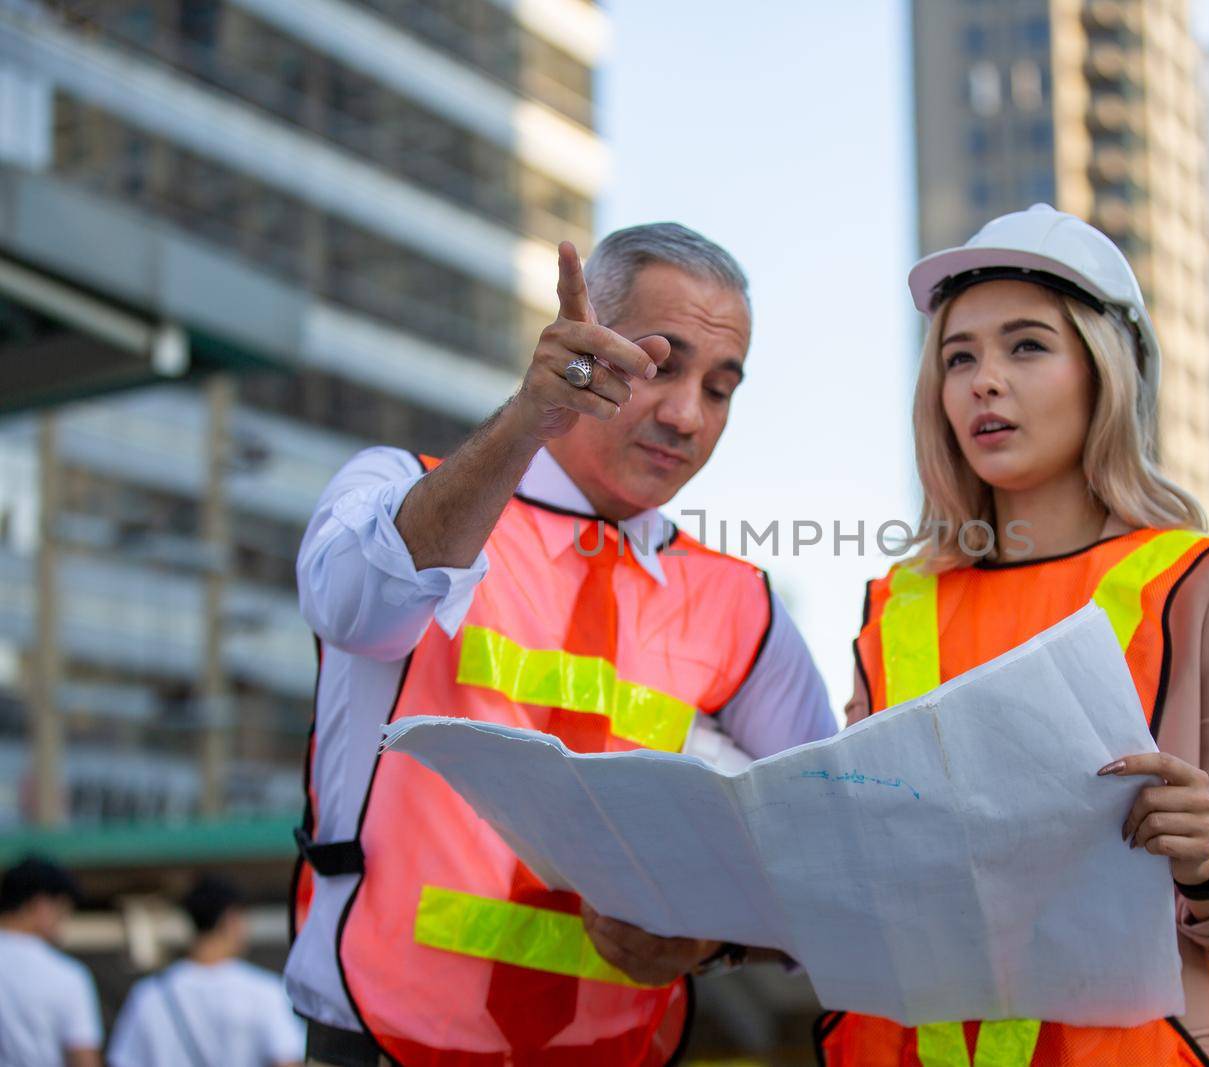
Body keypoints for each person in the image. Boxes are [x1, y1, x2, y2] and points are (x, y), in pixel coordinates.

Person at [287, 223, 836, 1066]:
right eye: (661, 365)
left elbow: (830, 847)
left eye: (721, 388)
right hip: (376, 1038)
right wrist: (526, 422)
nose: (689, 414)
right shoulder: (395, 484)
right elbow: (358, 608)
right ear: (583, 346)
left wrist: (709, 943)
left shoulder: (739, 601)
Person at [818, 204, 1209, 1067]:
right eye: (958, 356)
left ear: (1103, 371)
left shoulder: (1208, 585)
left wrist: (1205, 857)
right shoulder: (898, 603)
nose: (983, 381)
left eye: (1026, 345)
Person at [107, 875, 303, 1067]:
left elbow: (123, 1060)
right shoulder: (264, 991)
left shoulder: (149, 994)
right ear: (230, 919)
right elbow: (287, 1060)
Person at [0, 855, 102, 1067]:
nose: (62, 923)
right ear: (41, 905)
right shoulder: (67, 974)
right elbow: (84, 1059)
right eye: (62, 911)